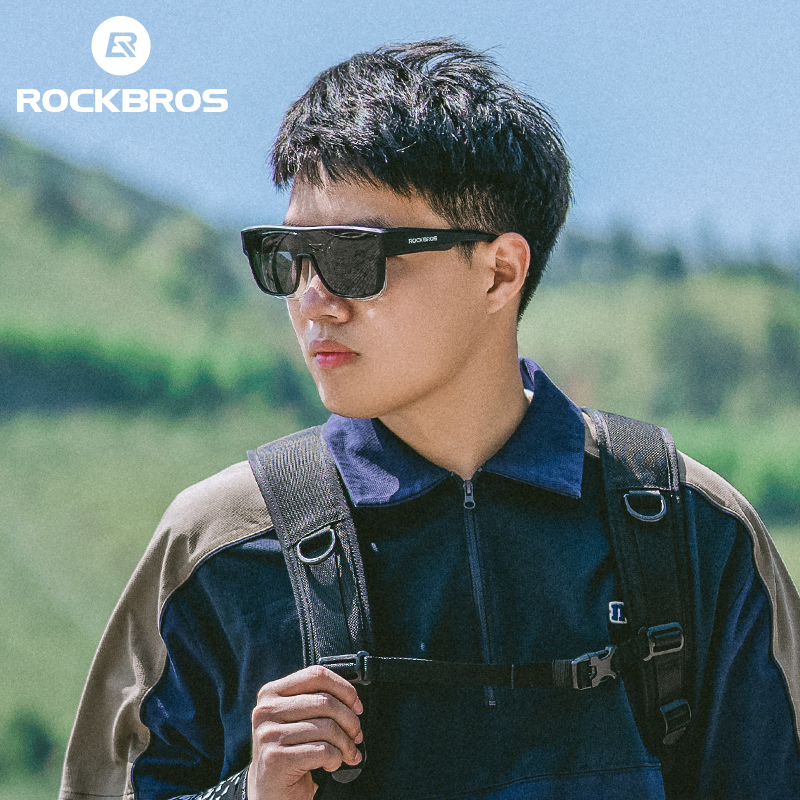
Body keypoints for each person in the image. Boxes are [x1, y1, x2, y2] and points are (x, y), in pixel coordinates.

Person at [59, 38, 800, 800]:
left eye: (353, 258)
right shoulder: (217, 546)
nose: (313, 300)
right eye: (288, 257)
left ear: (500, 272)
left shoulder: (692, 531)